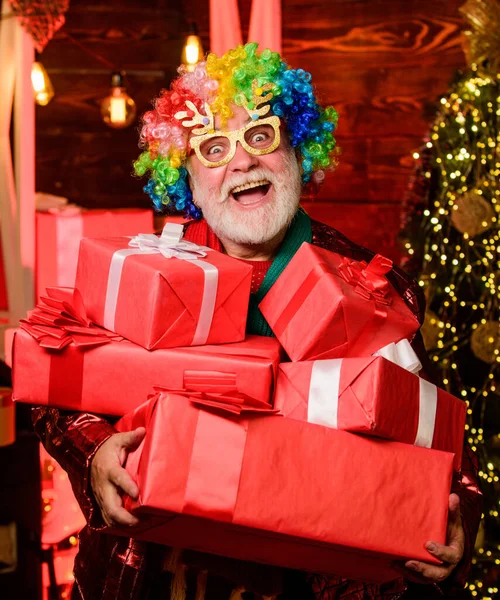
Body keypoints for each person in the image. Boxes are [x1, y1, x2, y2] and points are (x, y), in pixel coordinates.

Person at [33, 43, 482, 600]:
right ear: (187, 178)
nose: (241, 161)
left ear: (298, 150)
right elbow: (55, 381)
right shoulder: (142, 268)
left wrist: (458, 523)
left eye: (261, 136)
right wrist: (95, 451)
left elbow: (446, 446)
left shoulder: (372, 290)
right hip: (152, 573)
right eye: (214, 146)